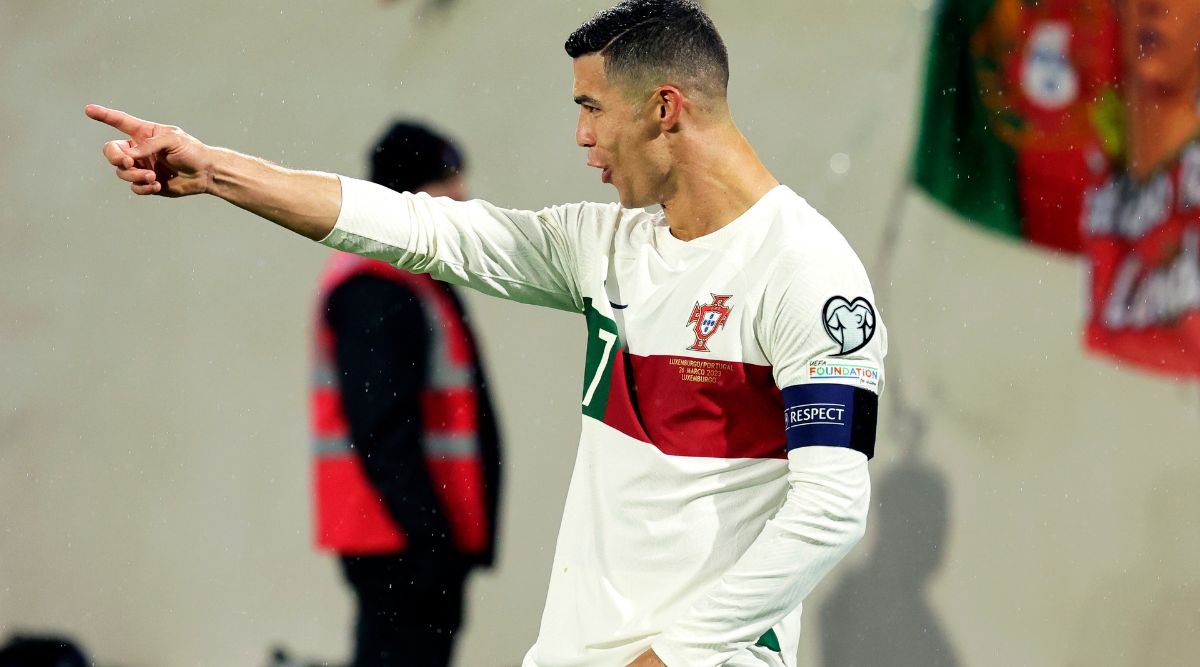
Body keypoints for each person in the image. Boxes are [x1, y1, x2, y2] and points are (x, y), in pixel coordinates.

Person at [86, 1, 887, 665]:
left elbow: (830, 509)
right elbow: (416, 227)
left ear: (664, 108)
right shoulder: (606, 245)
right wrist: (218, 172)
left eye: (589, 108)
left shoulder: (808, 272)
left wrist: (674, 654)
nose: (580, 137)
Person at [310, 121, 501, 667]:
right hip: (401, 541)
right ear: (408, 198)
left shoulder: (411, 278)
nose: (461, 197)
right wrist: (432, 543)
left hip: (415, 538)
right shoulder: (377, 286)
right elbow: (381, 428)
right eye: (446, 183)